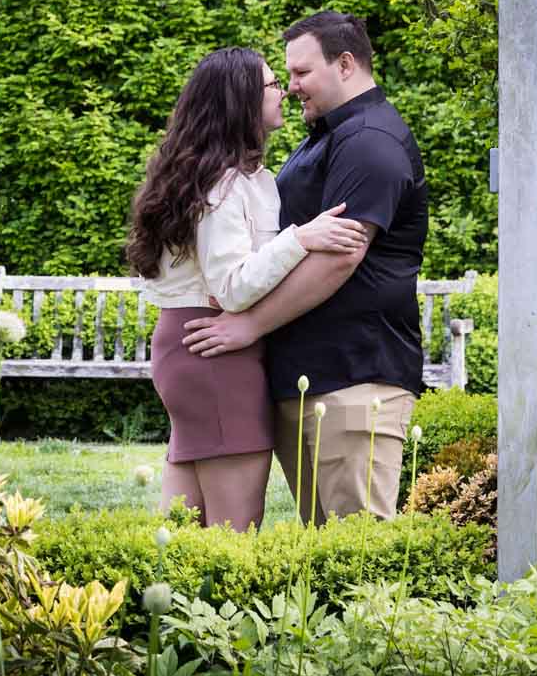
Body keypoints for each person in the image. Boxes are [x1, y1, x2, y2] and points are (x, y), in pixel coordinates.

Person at [182, 12, 429, 524]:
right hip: (309, 377)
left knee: (356, 554)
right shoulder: (327, 135)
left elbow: (339, 259)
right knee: (322, 552)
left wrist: (249, 324)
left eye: (300, 73)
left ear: (344, 64)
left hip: (354, 378)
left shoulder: (370, 142)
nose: (289, 88)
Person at [126, 46, 368, 530]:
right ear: (240, 100)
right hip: (216, 351)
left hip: (192, 348)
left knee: (182, 530)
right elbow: (233, 288)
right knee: (233, 531)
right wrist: (301, 238)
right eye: (273, 84)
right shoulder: (225, 185)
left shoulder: (218, 177)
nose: (285, 91)